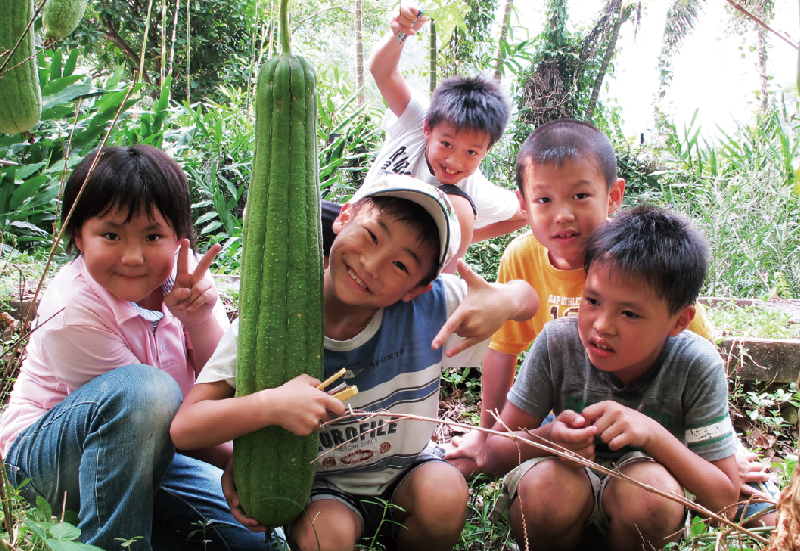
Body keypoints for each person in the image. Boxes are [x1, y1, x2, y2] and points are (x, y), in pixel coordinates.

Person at [170, 174, 539, 551]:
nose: (372, 263)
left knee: (444, 494)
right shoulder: (273, 322)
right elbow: (185, 428)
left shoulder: (432, 309)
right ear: (344, 217)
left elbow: (530, 298)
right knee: (323, 538)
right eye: (372, 235)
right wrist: (269, 407)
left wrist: (506, 299)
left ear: (416, 289)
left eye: (401, 265)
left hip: (407, 473)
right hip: (324, 490)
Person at [445, 119, 776, 526]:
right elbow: (503, 351)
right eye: (592, 300)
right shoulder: (530, 273)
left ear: (613, 195)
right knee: (537, 483)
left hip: (654, 443)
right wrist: (493, 433)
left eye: (580, 195)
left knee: (763, 511)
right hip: (566, 419)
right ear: (525, 204)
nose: (563, 215)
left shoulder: (644, 267)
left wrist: (722, 449)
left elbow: (696, 357)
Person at [0, 145, 280, 551]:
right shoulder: (74, 308)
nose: (133, 257)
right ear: (78, 235)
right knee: (147, 391)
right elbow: (150, 422)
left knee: (264, 542)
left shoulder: (185, 277)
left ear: (179, 239)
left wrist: (199, 318)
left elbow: (226, 383)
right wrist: (234, 461)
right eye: (110, 235)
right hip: (49, 462)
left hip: (151, 453)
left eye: (153, 236)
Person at [482, 204, 740, 551]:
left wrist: (652, 435)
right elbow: (493, 455)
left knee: (650, 491)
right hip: (565, 493)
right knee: (547, 488)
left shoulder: (696, 364)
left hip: (645, 506)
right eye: (592, 300)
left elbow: (725, 500)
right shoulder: (558, 344)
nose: (602, 325)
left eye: (630, 313)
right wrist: (549, 437)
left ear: (679, 320)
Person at [329, 3, 527, 272]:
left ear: (486, 151)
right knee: (274, 214)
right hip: (354, 222)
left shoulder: (473, 190)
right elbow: (382, 72)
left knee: (455, 211)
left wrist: (463, 241)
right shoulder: (416, 118)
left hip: (397, 258)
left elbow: (523, 213)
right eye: (446, 144)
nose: (454, 162)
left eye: (471, 152)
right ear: (427, 129)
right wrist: (400, 32)